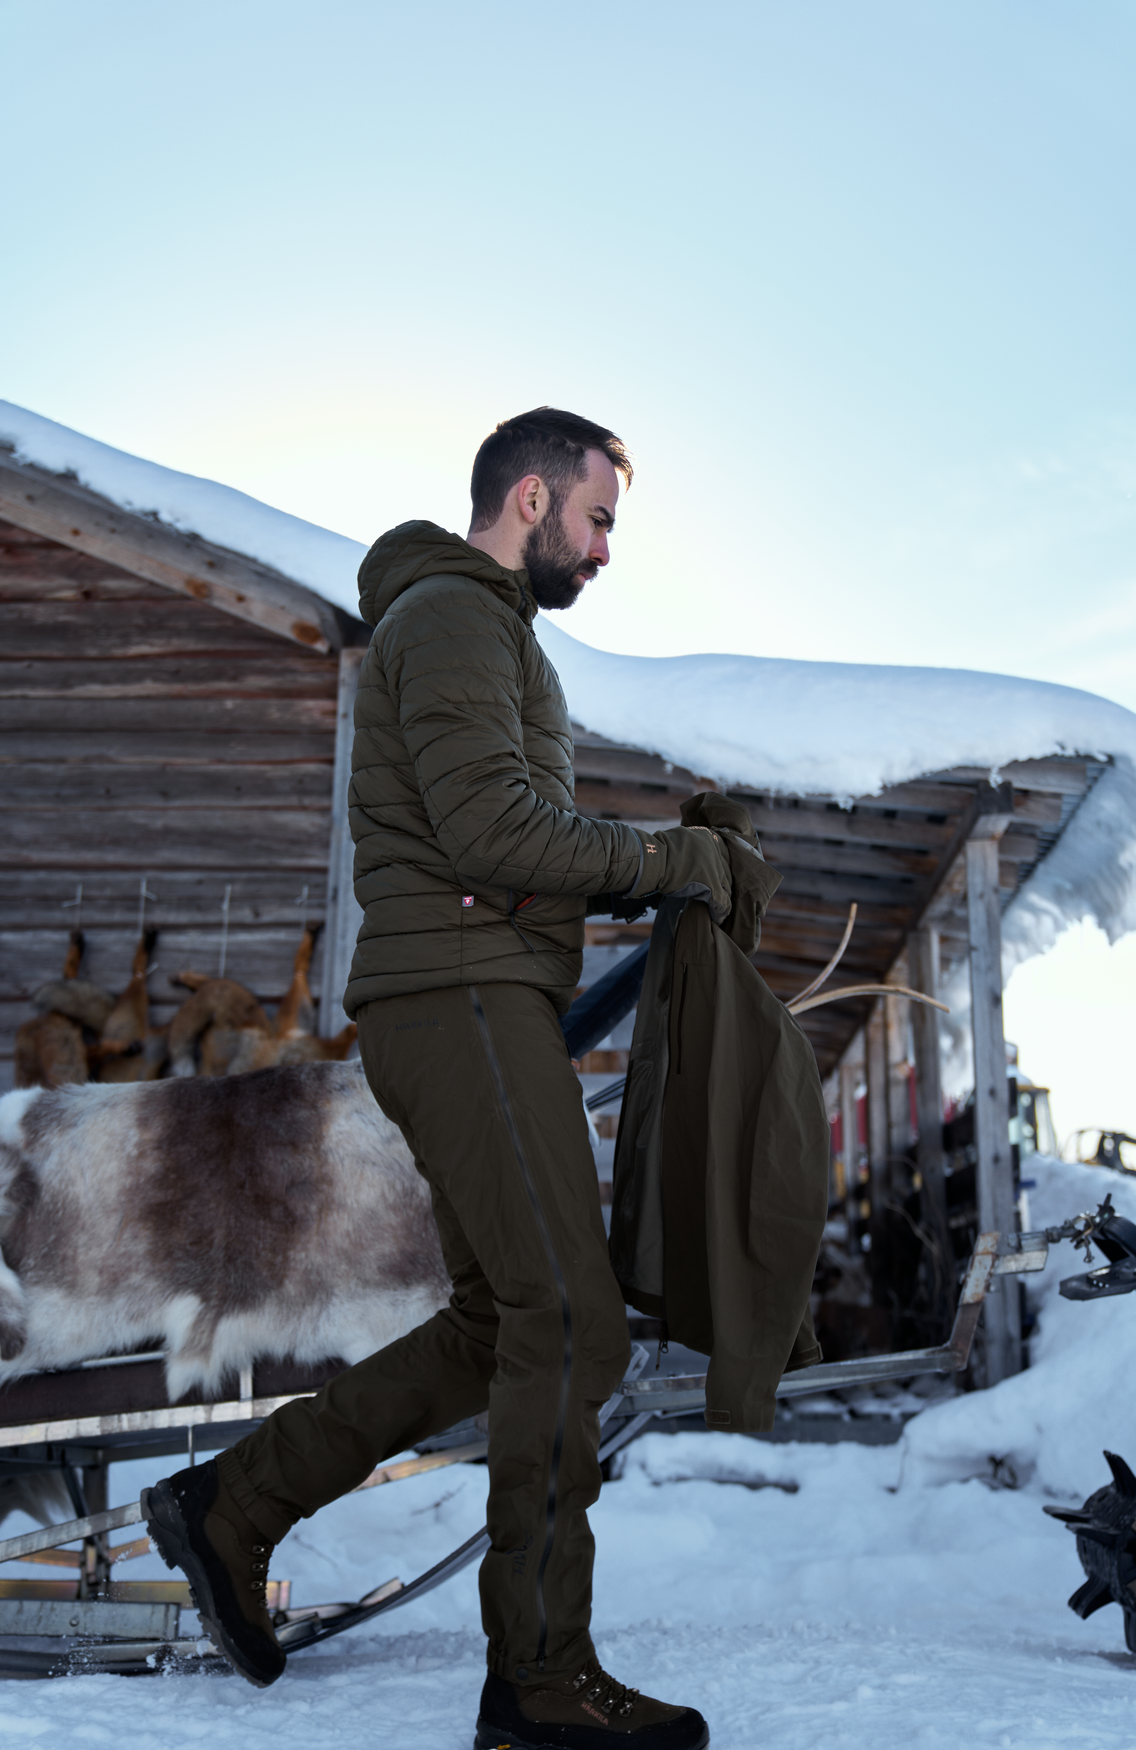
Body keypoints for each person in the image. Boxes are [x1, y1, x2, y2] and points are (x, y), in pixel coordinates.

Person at [144, 408, 730, 1750]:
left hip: (472, 991)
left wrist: (630, 889)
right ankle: (538, 1678)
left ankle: (233, 1508)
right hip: (458, 995)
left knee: (499, 1320)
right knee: (571, 1316)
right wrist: (663, 865)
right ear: (529, 498)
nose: (602, 549)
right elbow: (488, 826)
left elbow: (497, 839)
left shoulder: (478, 627)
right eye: (596, 519)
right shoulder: (456, 618)